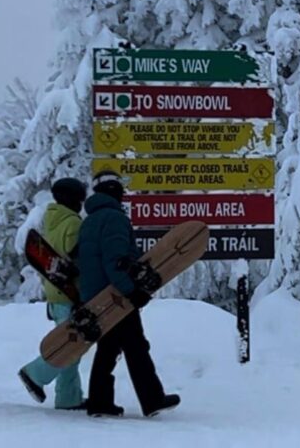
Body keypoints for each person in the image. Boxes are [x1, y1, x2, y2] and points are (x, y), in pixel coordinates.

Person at [77, 169, 180, 418]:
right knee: (135, 345)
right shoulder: (113, 219)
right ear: (115, 192)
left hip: (96, 294)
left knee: (110, 346)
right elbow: (116, 260)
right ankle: (152, 399)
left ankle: (100, 402)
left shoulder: (89, 221)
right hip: (115, 294)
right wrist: (131, 291)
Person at [18, 177, 89, 410]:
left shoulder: (52, 221)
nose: (82, 203)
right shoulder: (73, 223)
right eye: (80, 198)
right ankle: (35, 374)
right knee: (70, 346)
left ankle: (69, 398)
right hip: (70, 294)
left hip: (55, 294)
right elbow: (78, 259)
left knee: (71, 344)